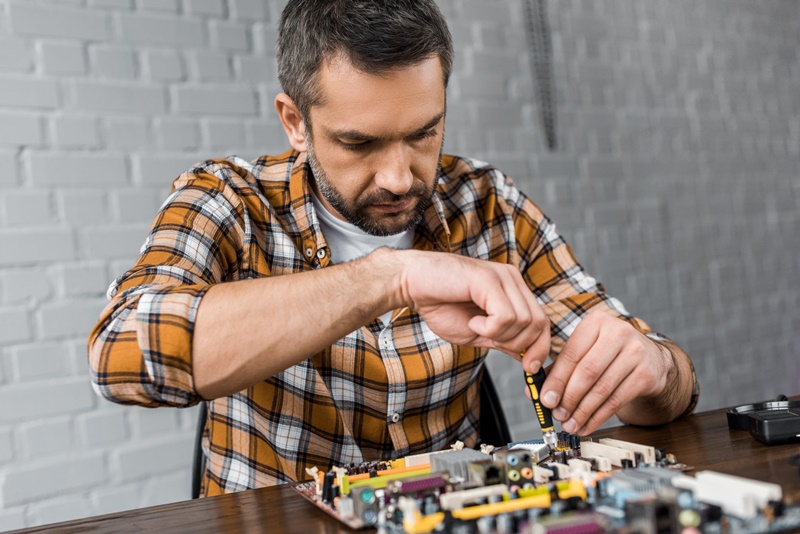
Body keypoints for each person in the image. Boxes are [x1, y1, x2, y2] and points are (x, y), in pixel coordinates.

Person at [88, 0, 698, 496]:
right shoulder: (231, 200)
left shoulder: (486, 204)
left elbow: (671, 388)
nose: (400, 178)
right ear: (294, 122)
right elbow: (119, 355)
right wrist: (389, 278)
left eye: (424, 133)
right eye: (359, 144)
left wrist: (652, 370)